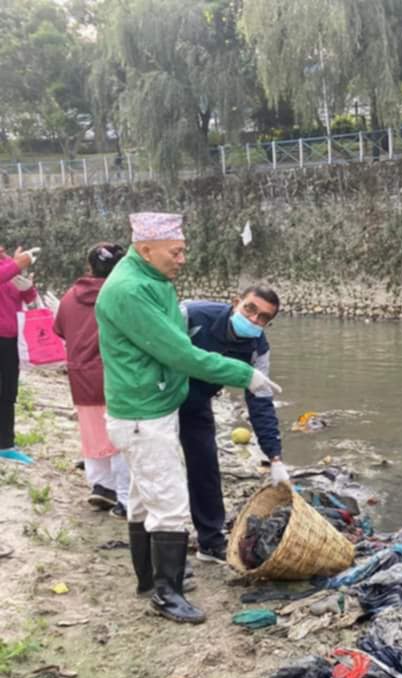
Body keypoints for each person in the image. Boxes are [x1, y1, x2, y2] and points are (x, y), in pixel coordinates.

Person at [96, 212, 280, 624]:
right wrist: (243, 374)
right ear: (146, 249)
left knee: (145, 499)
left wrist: (275, 454)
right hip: (144, 410)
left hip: (154, 403)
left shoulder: (153, 281)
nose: (183, 258)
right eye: (176, 251)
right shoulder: (129, 290)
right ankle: (168, 593)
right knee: (170, 504)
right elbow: (179, 353)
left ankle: (150, 580)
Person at [179, 286, 288, 564]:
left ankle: (210, 542)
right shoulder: (192, 314)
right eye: (250, 309)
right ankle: (156, 540)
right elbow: (162, 349)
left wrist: (274, 457)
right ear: (236, 302)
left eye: (263, 317)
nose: (253, 320)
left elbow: (261, 403)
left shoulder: (257, 348)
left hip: (198, 402)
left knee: (205, 467)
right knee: (160, 470)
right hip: (161, 397)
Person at [52, 243, 130, 516]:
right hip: (116, 376)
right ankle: (124, 499)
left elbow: (59, 329)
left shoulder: (70, 297)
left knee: (93, 435)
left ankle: (101, 486)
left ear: (89, 266)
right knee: (122, 438)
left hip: (81, 376)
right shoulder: (122, 295)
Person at [0, 244, 40, 465]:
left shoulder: (8, 267)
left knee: (8, 391)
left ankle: (5, 443)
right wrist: (16, 265)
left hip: (10, 339)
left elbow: (28, 298)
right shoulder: (9, 267)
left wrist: (27, 287)